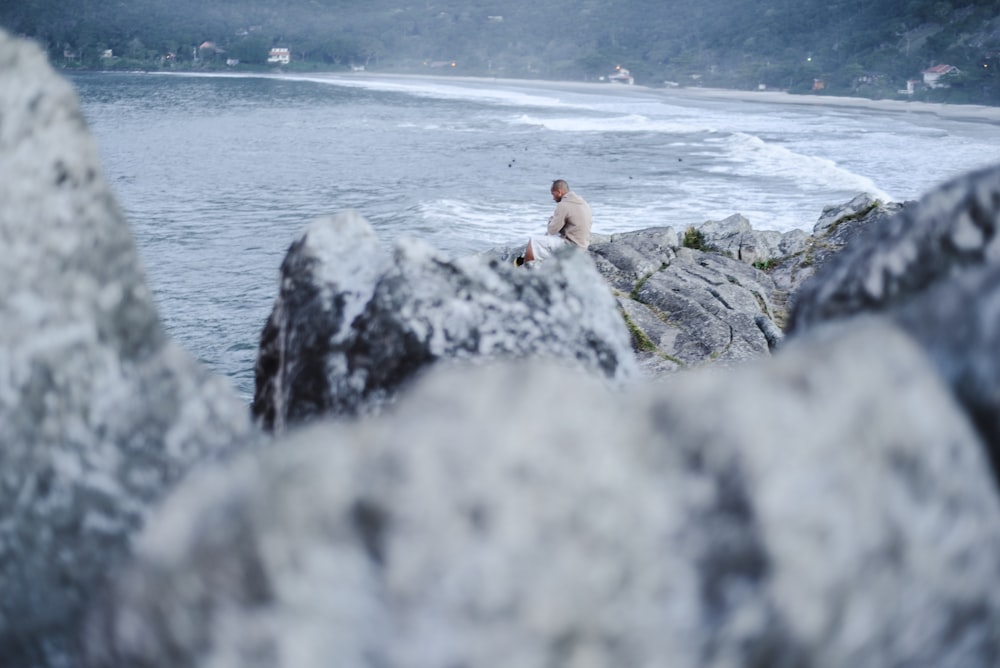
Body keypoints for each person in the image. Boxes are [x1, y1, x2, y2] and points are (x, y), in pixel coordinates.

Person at [516, 179, 592, 266]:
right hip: (583, 245)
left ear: (559, 192)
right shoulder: (582, 202)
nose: (553, 198)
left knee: (534, 241)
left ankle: (525, 267)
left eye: (553, 193)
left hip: (571, 247)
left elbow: (552, 230)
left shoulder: (564, 204)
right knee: (547, 238)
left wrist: (551, 219)